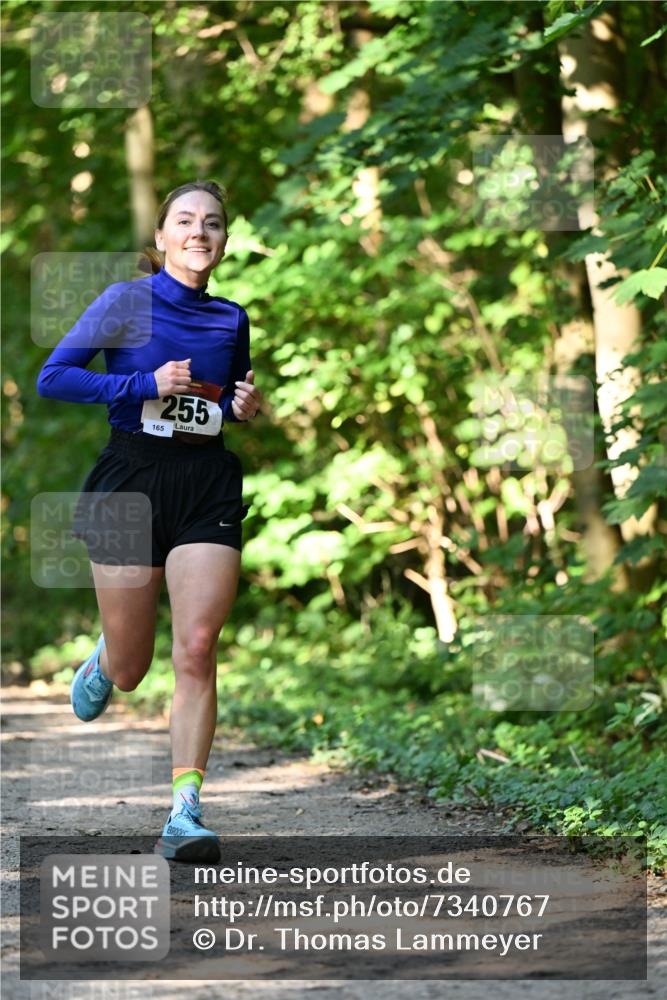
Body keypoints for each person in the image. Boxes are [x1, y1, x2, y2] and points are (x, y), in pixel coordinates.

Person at [36, 180, 261, 863]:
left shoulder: (232, 318)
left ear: (223, 241)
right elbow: (54, 378)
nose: (200, 232)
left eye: (213, 223)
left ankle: (185, 812)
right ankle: (106, 657)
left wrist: (245, 407)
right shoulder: (124, 302)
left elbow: (223, 401)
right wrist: (142, 384)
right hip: (128, 484)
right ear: (160, 238)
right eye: (186, 221)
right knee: (133, 668)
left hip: (205, 484)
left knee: (196, 646)